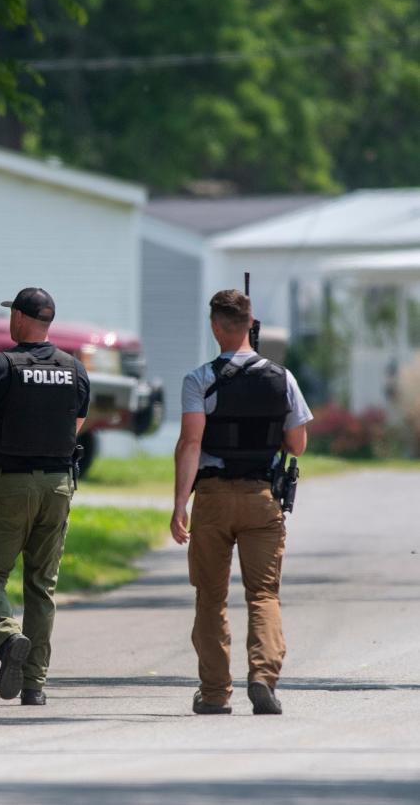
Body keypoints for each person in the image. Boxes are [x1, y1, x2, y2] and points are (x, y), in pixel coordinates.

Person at [171, 289, 312, 716]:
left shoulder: (199, 379)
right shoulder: (282, 378)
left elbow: (190, 443)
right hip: (260, 498)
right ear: (252, 325)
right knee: (264, 594)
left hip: (212, 499)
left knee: (210, 598)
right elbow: (297, 444)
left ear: (216, 326)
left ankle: (215, 693)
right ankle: (263, 678)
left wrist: (180, 505)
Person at [0, 287, 89, 706]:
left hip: (11, 484)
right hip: (59, 485)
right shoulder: (74, 369)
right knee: (41, 586)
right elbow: (75, 426)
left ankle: (9, 640)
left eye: (13, 314)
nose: (10, 320)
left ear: (23, 319)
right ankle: (35, 686)